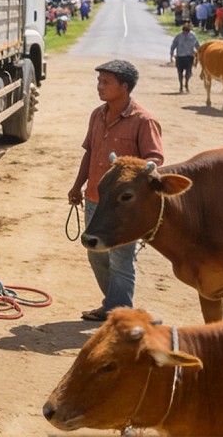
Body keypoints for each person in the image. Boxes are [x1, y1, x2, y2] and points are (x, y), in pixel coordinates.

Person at [66, 60, 164, 322]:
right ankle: (114, 306)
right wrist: (77, 186)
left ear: (124, 86)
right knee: (96, 253)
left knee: (121, 259)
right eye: (99, 81)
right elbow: (90, 152)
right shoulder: (97, 115)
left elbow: (155, 160)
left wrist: (132, 175)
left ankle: (119, 312)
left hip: (123, 208)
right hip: (95, 198)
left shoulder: (144, 120)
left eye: (106, 82)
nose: (99, 86)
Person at [169, 22, 201, 93]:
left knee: (188, 72)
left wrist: (199, 54)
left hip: (189, 57)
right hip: (180, 57)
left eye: (187, 31)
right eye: (184, 31)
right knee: (179, 73)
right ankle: (181, 85)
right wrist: (171, 55)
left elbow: (197, 46)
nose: (185, 33)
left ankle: (186, 83)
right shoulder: (178, 36)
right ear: (183, 30)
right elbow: (173, 45)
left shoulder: (193, 36)